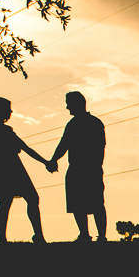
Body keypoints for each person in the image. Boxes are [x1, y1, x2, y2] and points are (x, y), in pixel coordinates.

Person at [0, 97, 51, 242]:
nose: (11, 111)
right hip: (10, 165)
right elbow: (25, 148)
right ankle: (37, 236)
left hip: (6, 164)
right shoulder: (3, 130)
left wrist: (45, 162)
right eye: (8, 108)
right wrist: (45, 162)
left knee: (7, 202)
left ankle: (5, 238)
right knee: (27, 199)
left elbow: (22, 147)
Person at [47, 92, 107, 241]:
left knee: (95, 203)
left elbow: (64, 145)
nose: (67, 107)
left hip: (85, 169)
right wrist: (54, 159)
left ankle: (97, 236)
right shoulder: (89, 123)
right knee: (82, 203)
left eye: (69, 103)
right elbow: (64, 145)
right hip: (85, 169)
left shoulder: (84, 124)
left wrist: (54, 160)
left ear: (77, 103)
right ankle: (88, 235)